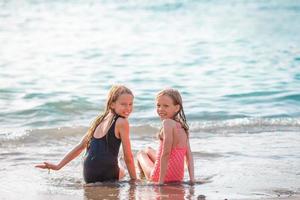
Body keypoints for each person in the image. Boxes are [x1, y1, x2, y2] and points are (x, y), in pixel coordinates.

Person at [35, 85, 137, 183]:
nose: (128, 108)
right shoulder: (122, 122)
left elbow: (80, 147)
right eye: (123, 104)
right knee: (123, 171)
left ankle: (119, 163)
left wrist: (58, 166)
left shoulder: (99, 120)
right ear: (112, 104)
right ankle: (120, 164)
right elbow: (128, 157)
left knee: (119, 165)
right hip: (105, 176)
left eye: (130, 104)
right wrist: (134, 181)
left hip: (88, 175)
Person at [137, 88, 195, 184]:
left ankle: (141, 177)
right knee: (148, 149)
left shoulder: (167, 123)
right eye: (158, 105)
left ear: (177, 108)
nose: (161, 109)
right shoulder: (183, 126)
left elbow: (166, 153)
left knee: (140, 154)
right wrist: (192, 179)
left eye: (166, 106)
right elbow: (189, 155)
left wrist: (160, 182)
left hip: (160, 177)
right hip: (178, 177)